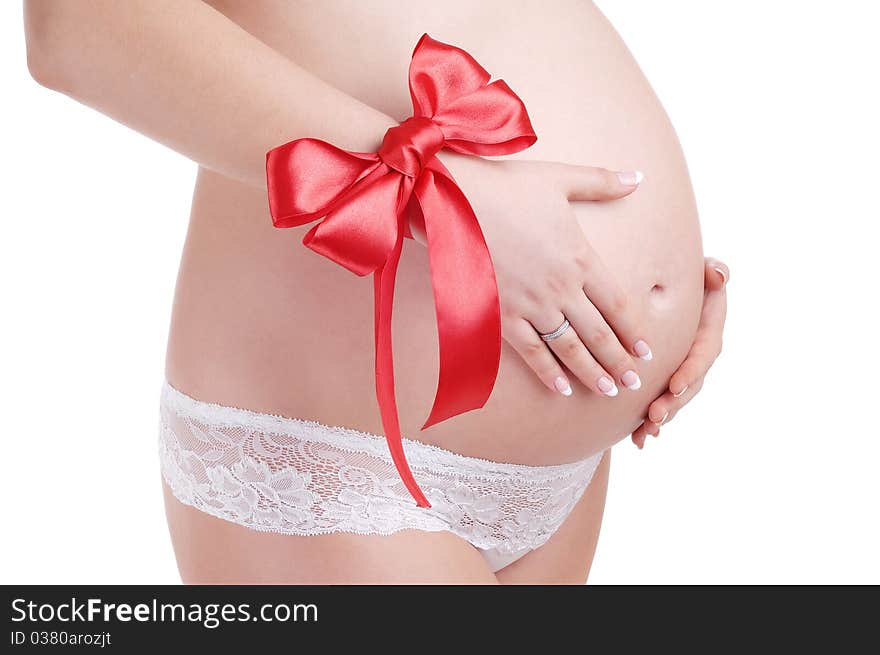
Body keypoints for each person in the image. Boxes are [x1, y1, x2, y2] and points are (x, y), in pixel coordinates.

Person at [24, 0, 728, 584]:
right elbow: (75, 26)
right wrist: (436, 195)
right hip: (343, 461)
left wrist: (655, 282)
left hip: (565, 438)